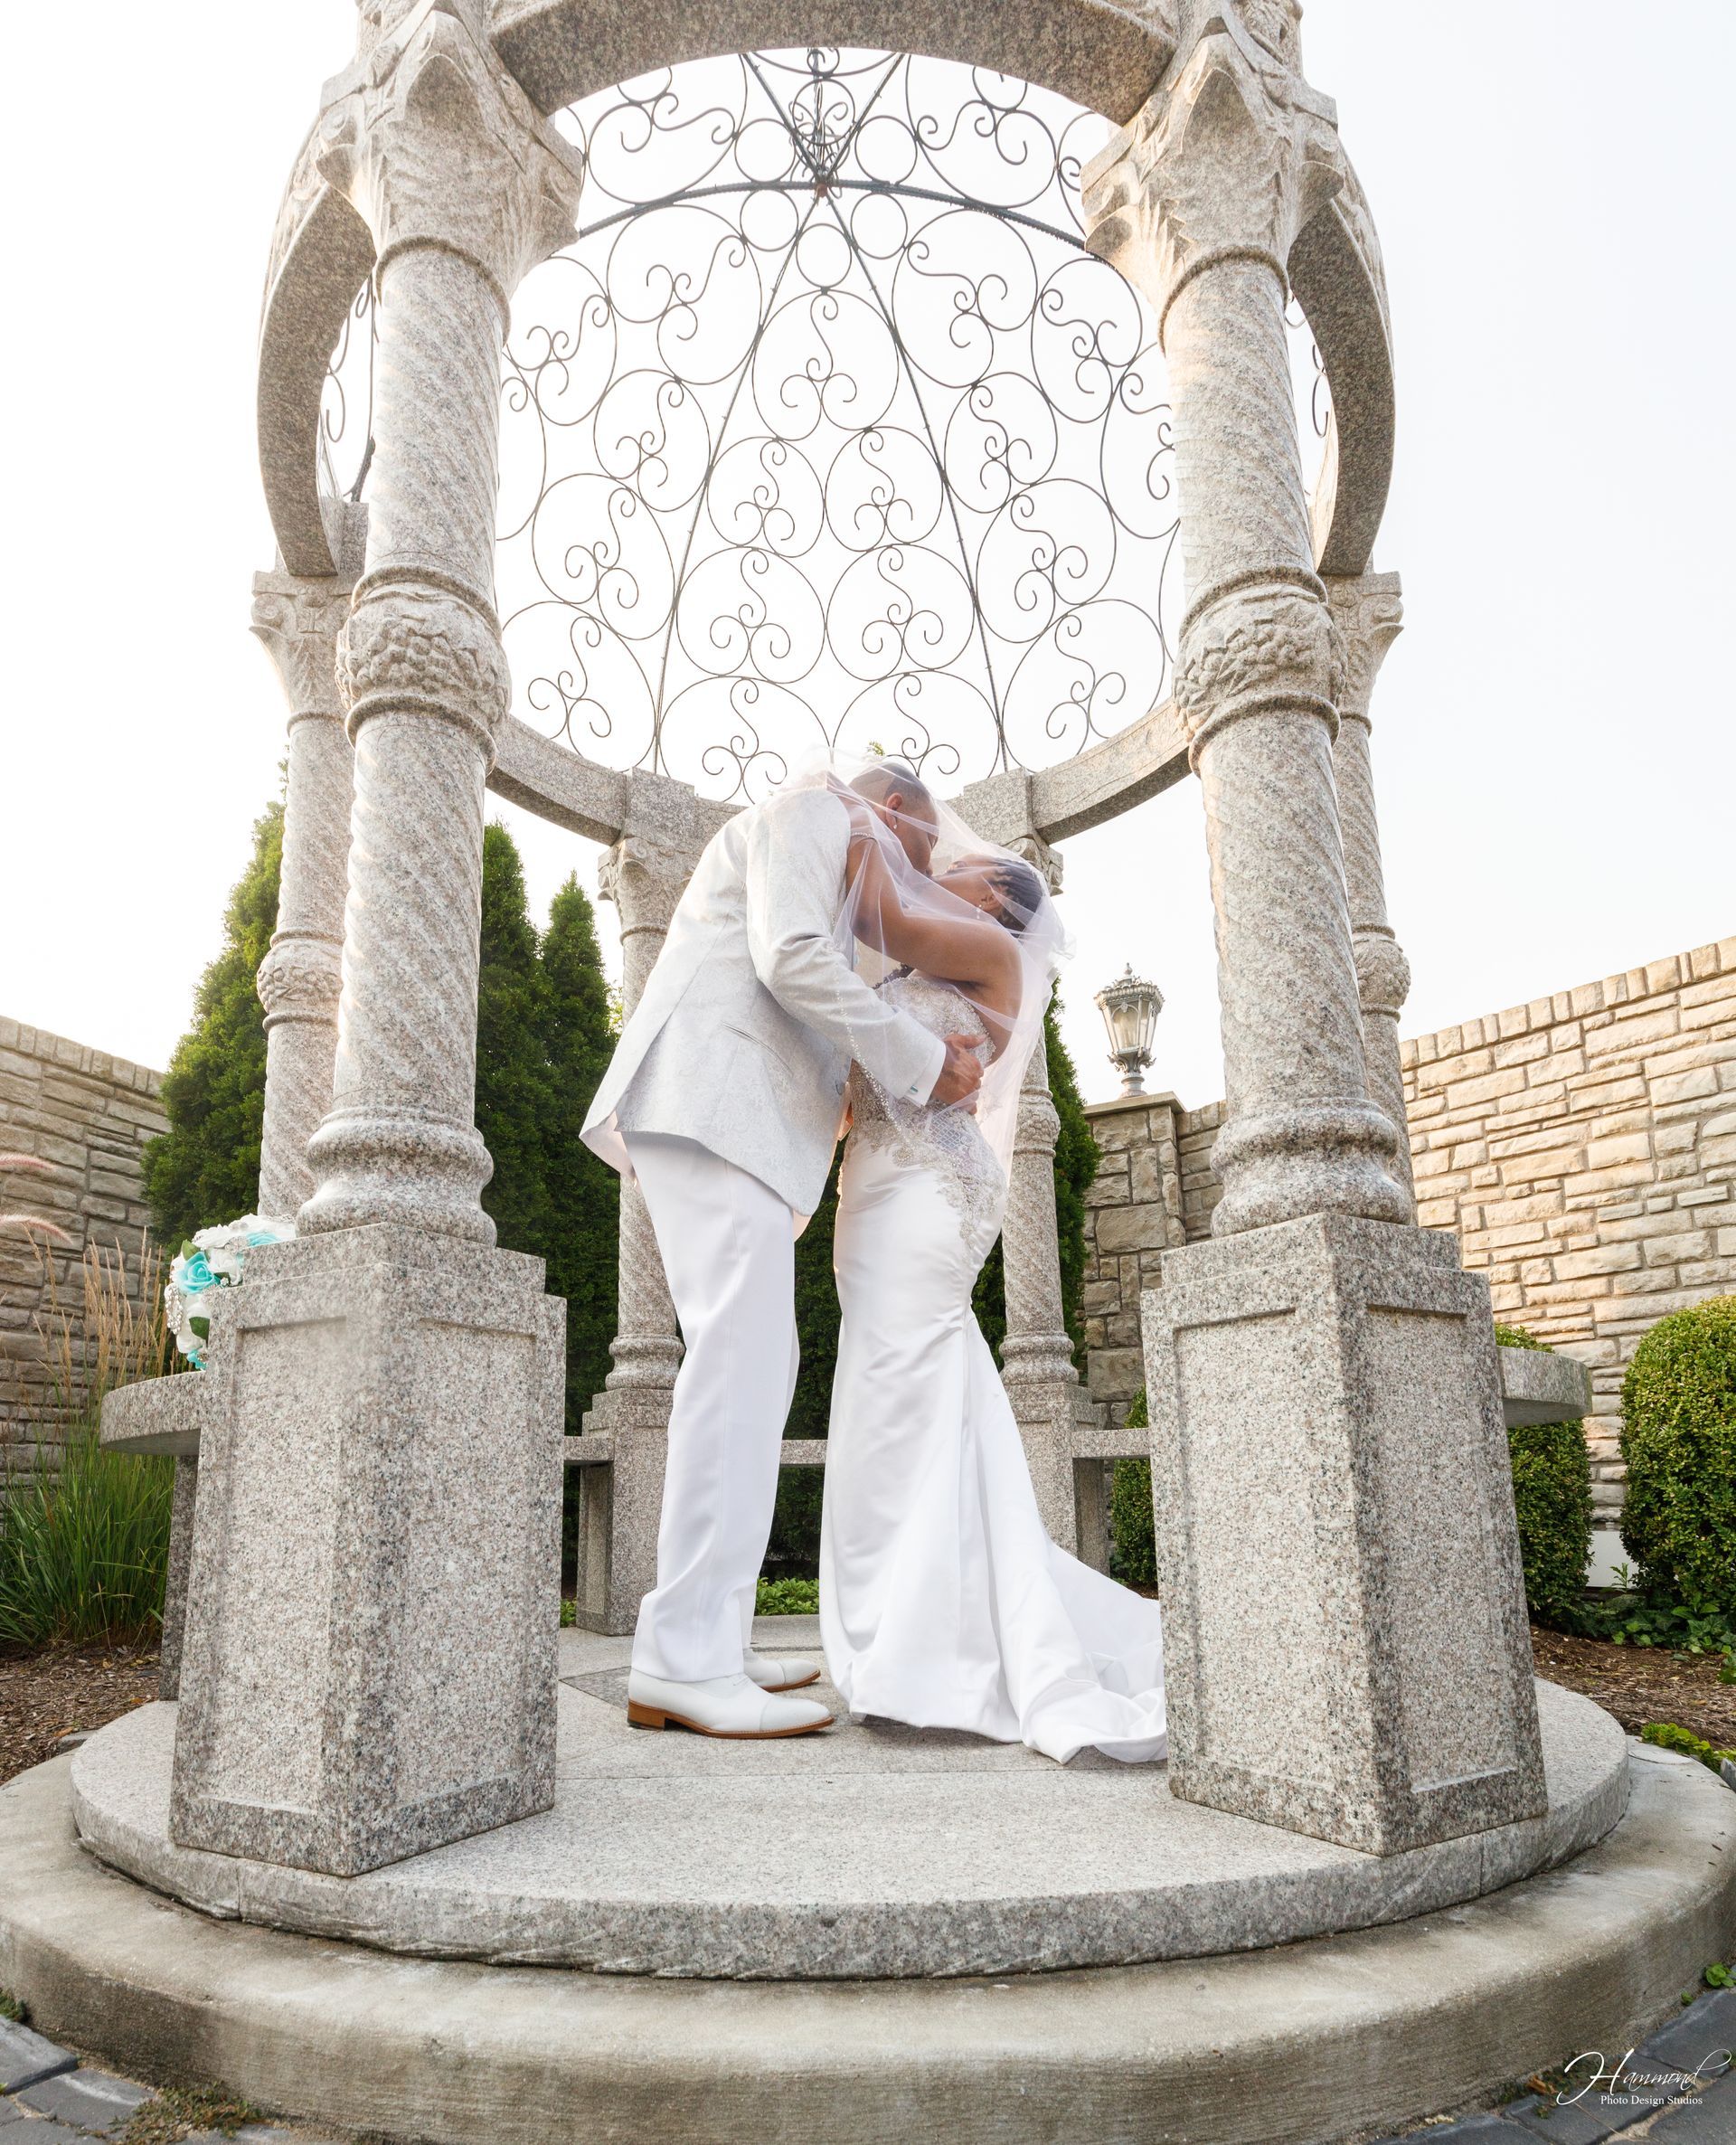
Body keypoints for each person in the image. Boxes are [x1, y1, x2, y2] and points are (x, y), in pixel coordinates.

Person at [580, 762, 986, 1739]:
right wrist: (925, 1062)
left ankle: (710, 1638)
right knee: (737, 1367)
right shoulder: (814, 808)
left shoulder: (826, 851)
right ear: (889, 813)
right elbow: (792, 955)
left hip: (730, 1120)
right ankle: (680, 1658)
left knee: (755, 1370)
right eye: (915, 856)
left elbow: (811, 987)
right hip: (712, 1105)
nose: (908, 887)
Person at [818, 784, 1168, 1765]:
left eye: (961, 870)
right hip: (874, 1188)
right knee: (903, 1397)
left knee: (904, 1388)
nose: (942, 870)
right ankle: (914, 1629)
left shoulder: (990, 952)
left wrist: (855, 811)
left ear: (998, 899)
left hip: (932, 1195)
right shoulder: (923, 954)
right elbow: (861, 1072)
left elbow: (877, 901)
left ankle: (929, 1647)